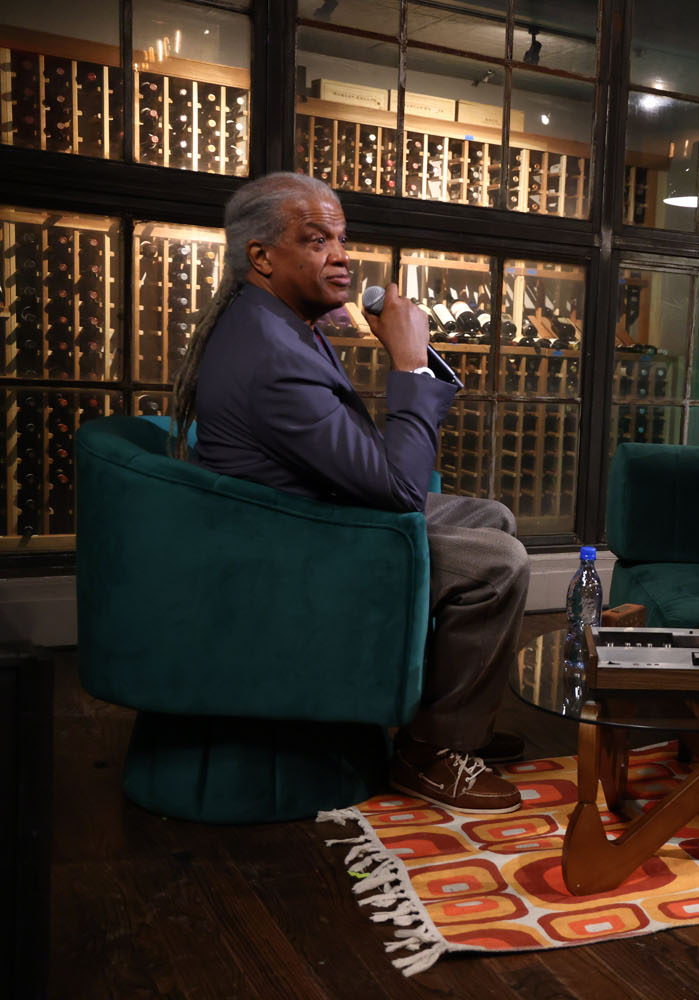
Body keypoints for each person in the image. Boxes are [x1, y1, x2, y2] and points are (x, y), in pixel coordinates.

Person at [174, 172, 531, 814]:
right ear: (262, 256)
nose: (341, 256)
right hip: (292, 547)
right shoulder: (272, 353)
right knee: (497, 564)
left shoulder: (280, 322)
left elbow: (376, 473)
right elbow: (399, 489)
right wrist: (409, 363)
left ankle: (448, 721)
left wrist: (414, 363)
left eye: (341, 238)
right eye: (317, 240)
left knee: (492, 516)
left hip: (306, 513)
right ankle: (430, 752)